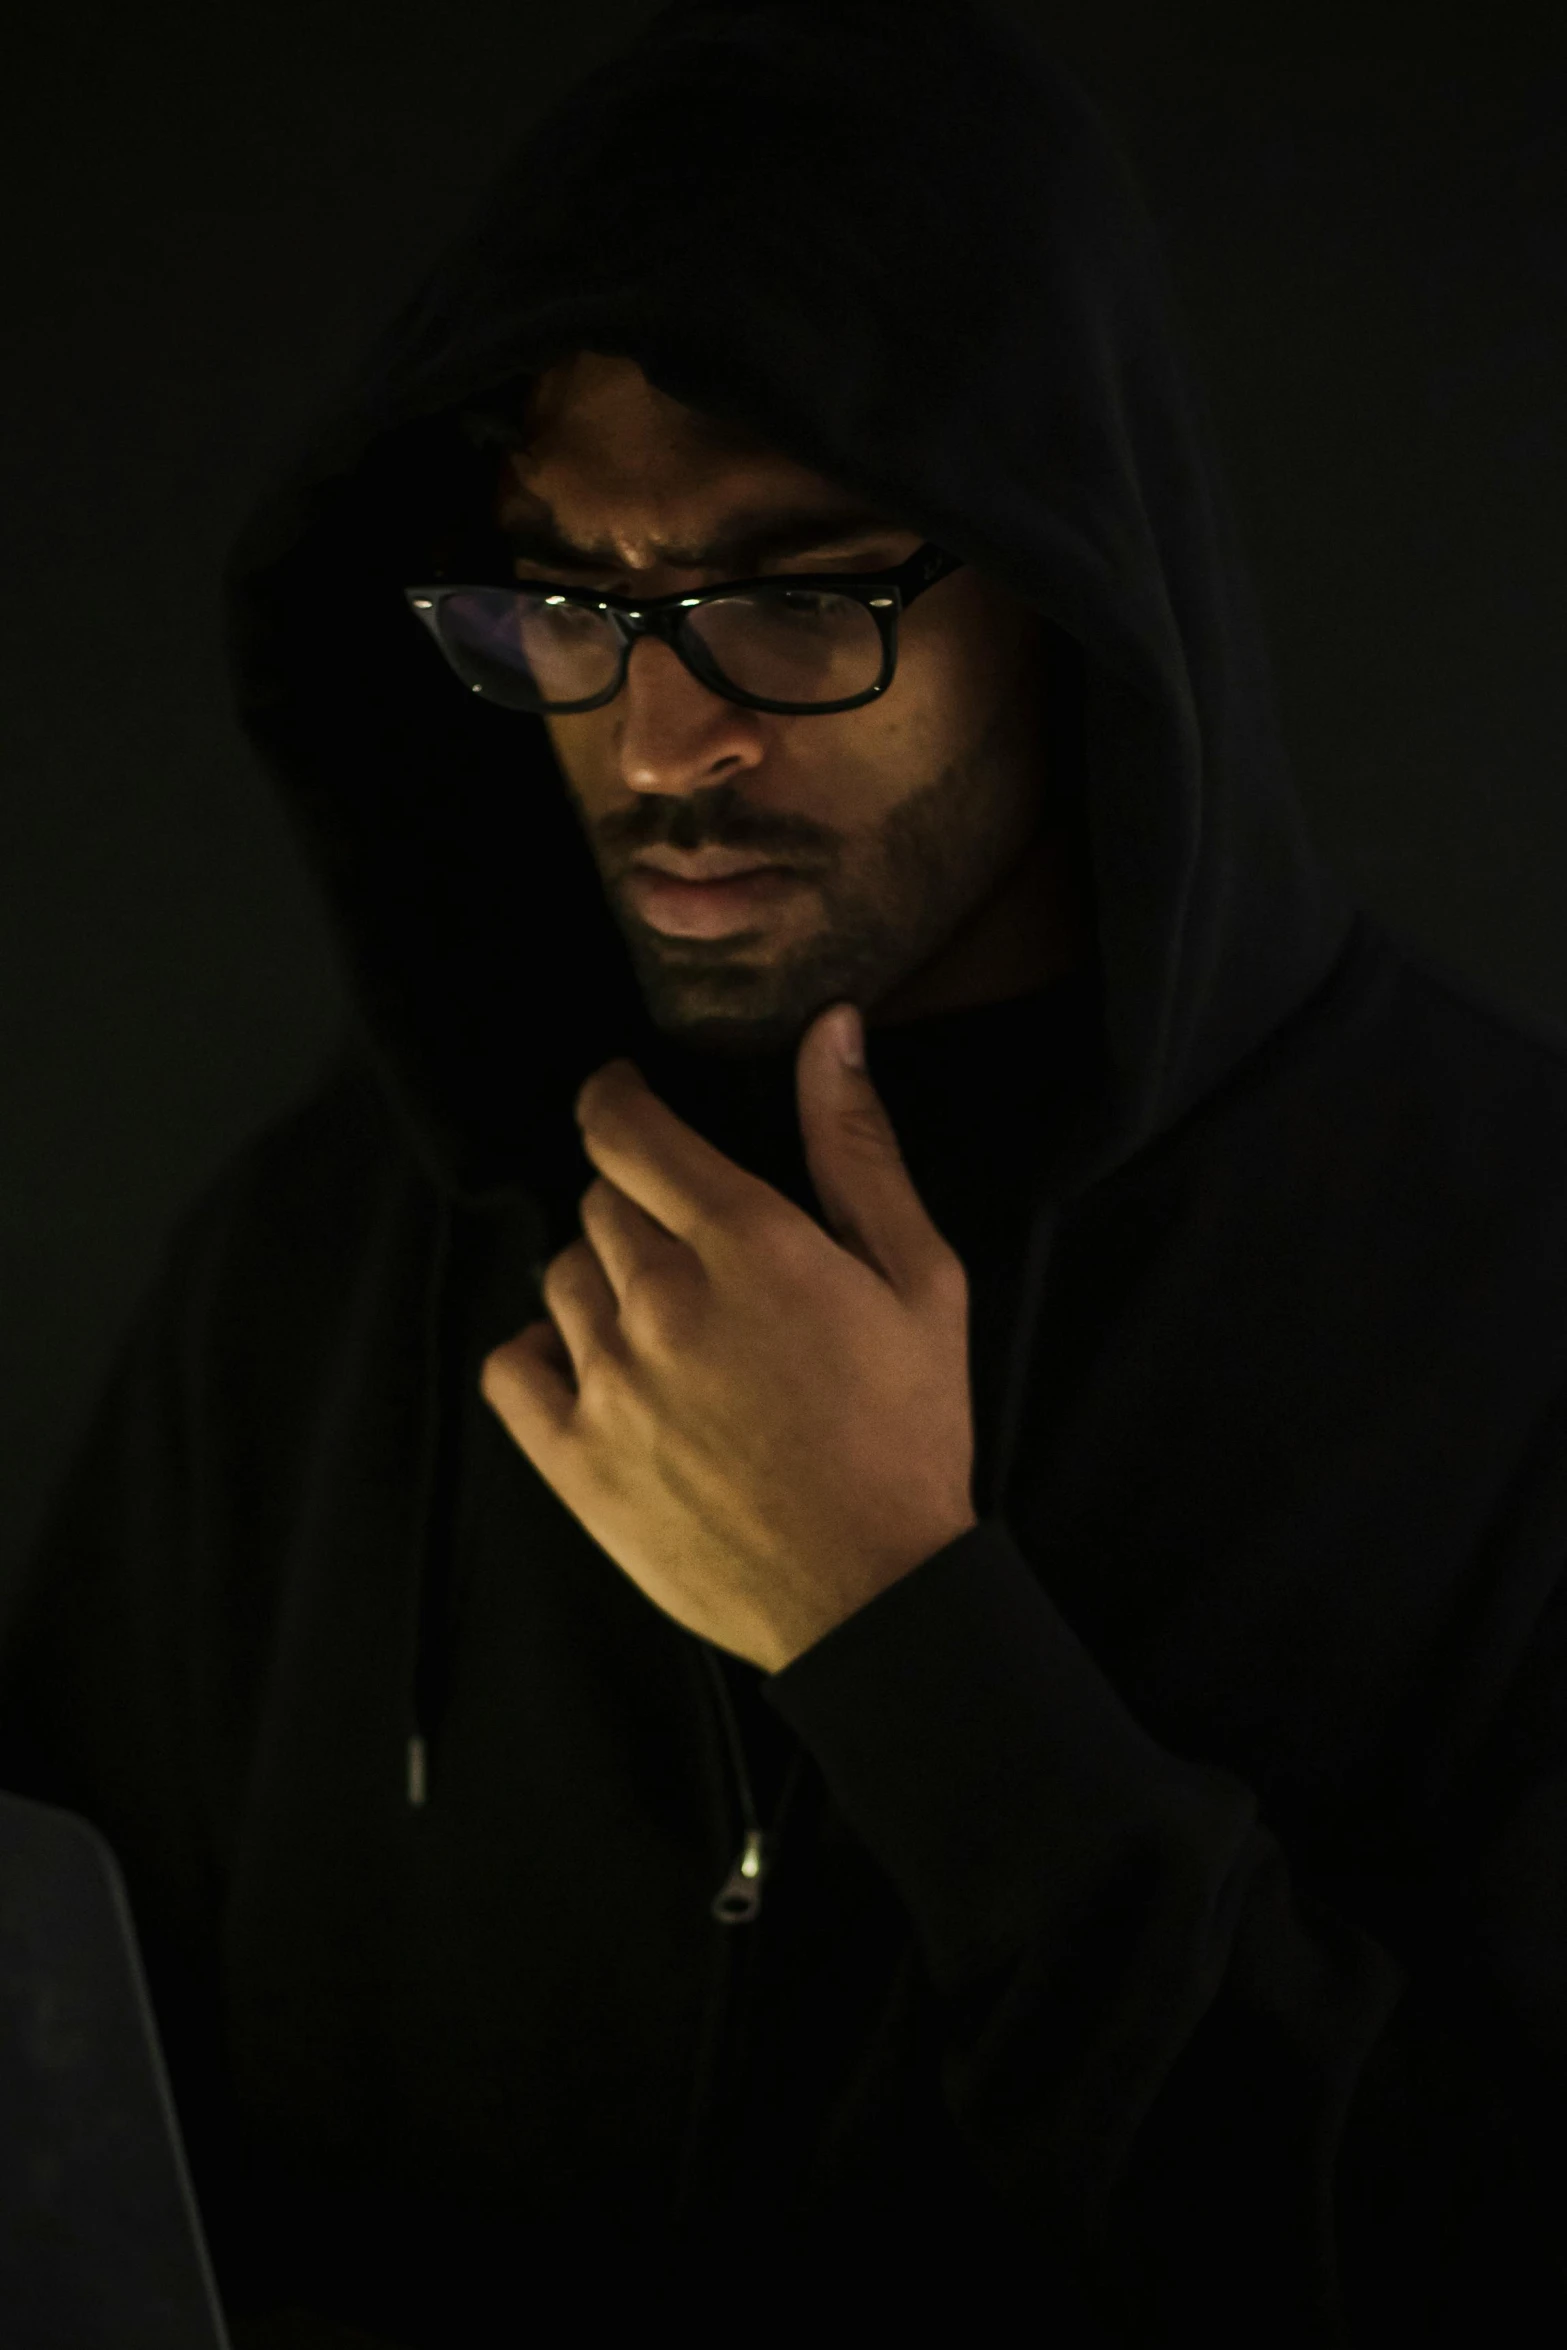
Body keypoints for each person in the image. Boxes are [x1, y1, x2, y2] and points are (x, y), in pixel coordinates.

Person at [4, 1, 1566, 2342]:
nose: (662, 737)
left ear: (1070, 585)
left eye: (794, 590)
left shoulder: (1512, 1288)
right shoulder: (326, 1268)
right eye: (568, 595)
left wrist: (905, 1638)